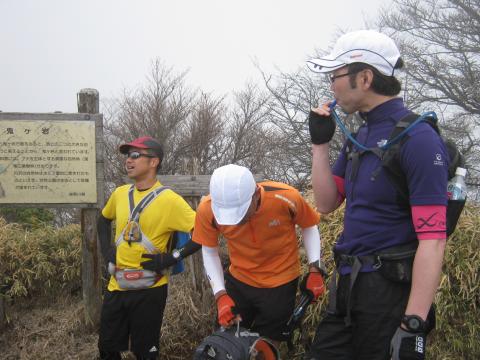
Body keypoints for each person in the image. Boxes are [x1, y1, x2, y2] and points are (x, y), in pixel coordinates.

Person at [305, 30, 448, 359]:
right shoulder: (363, 133)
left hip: (388, 295)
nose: (331, 86)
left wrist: (414, 323)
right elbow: (326, 203)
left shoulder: (418, 139)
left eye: (335, 76)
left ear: (365, 77)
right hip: (346, 289)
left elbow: (433, 239)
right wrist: (320, 144)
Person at [192, 164, 327, 346]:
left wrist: (315, 269)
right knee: (225, 345)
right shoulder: (207, 210)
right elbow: (209, 251)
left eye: (240, 212)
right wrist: (220, 295)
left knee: (267, 347)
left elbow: (309, 226)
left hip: (280, 282)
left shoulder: (286, 197)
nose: (236, 221)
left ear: (256, 194)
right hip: (240, 281)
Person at [97, 136, 200, 360]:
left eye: (135, 155)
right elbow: (103, 220)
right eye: (127, 155)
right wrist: (106, 250)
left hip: (150, 289)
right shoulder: (120, 193)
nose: (128, 160)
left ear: (154, 162)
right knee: (107, 348)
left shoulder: (169, 200)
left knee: (146, 353)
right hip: (117, 285)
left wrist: (170, 258)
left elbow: (203, 232)